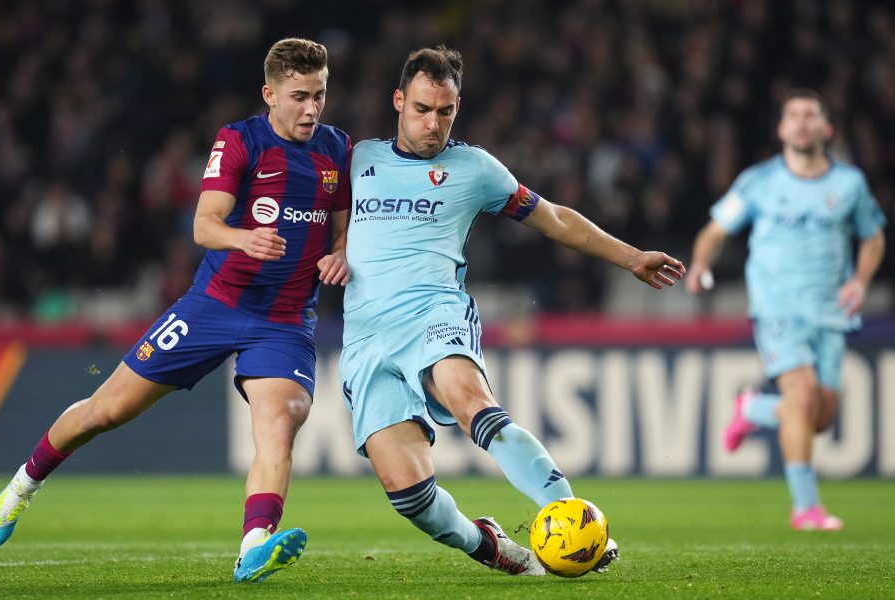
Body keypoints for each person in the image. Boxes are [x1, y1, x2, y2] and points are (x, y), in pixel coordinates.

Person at [0, 38, 353, 583]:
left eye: (320, 95)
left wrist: (341, 254)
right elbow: (205, 224)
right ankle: (22, 486)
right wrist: (244, 239)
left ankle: (254, 544)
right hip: (214, 306)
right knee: (105, 412)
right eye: (299, 96)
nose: (312, 109)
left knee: (281, 422)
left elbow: (343, 230)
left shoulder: (338, 149)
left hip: (285, 320)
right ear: (269, 93)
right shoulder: (240, 140)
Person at [340, 46, 685, 576]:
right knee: (409, 496)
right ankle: (492, 546)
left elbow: (553, 220)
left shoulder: (473, 168)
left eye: (446, 111)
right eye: (422, 109)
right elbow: (324, 217)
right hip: (365, 337)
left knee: (470, 401)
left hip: (435, 314)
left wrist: (631, 256)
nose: (434, 124)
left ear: (458, 106)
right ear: (398, 101)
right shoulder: (359, 158)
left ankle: (572, 519)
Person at [686, 89, 886, 531]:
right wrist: (700, 264)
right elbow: (715, 231)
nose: (800, 122)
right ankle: (806, 508)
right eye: (792, 115)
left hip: (830, 311)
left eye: (810, 115)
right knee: (804, 398)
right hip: (777, 308)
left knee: (819, 417)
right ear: (781, 128)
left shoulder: (849, 184)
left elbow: (873, 237)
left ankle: (753, 409)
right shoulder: (759, 182)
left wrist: (860, 281)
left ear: (825, 128)